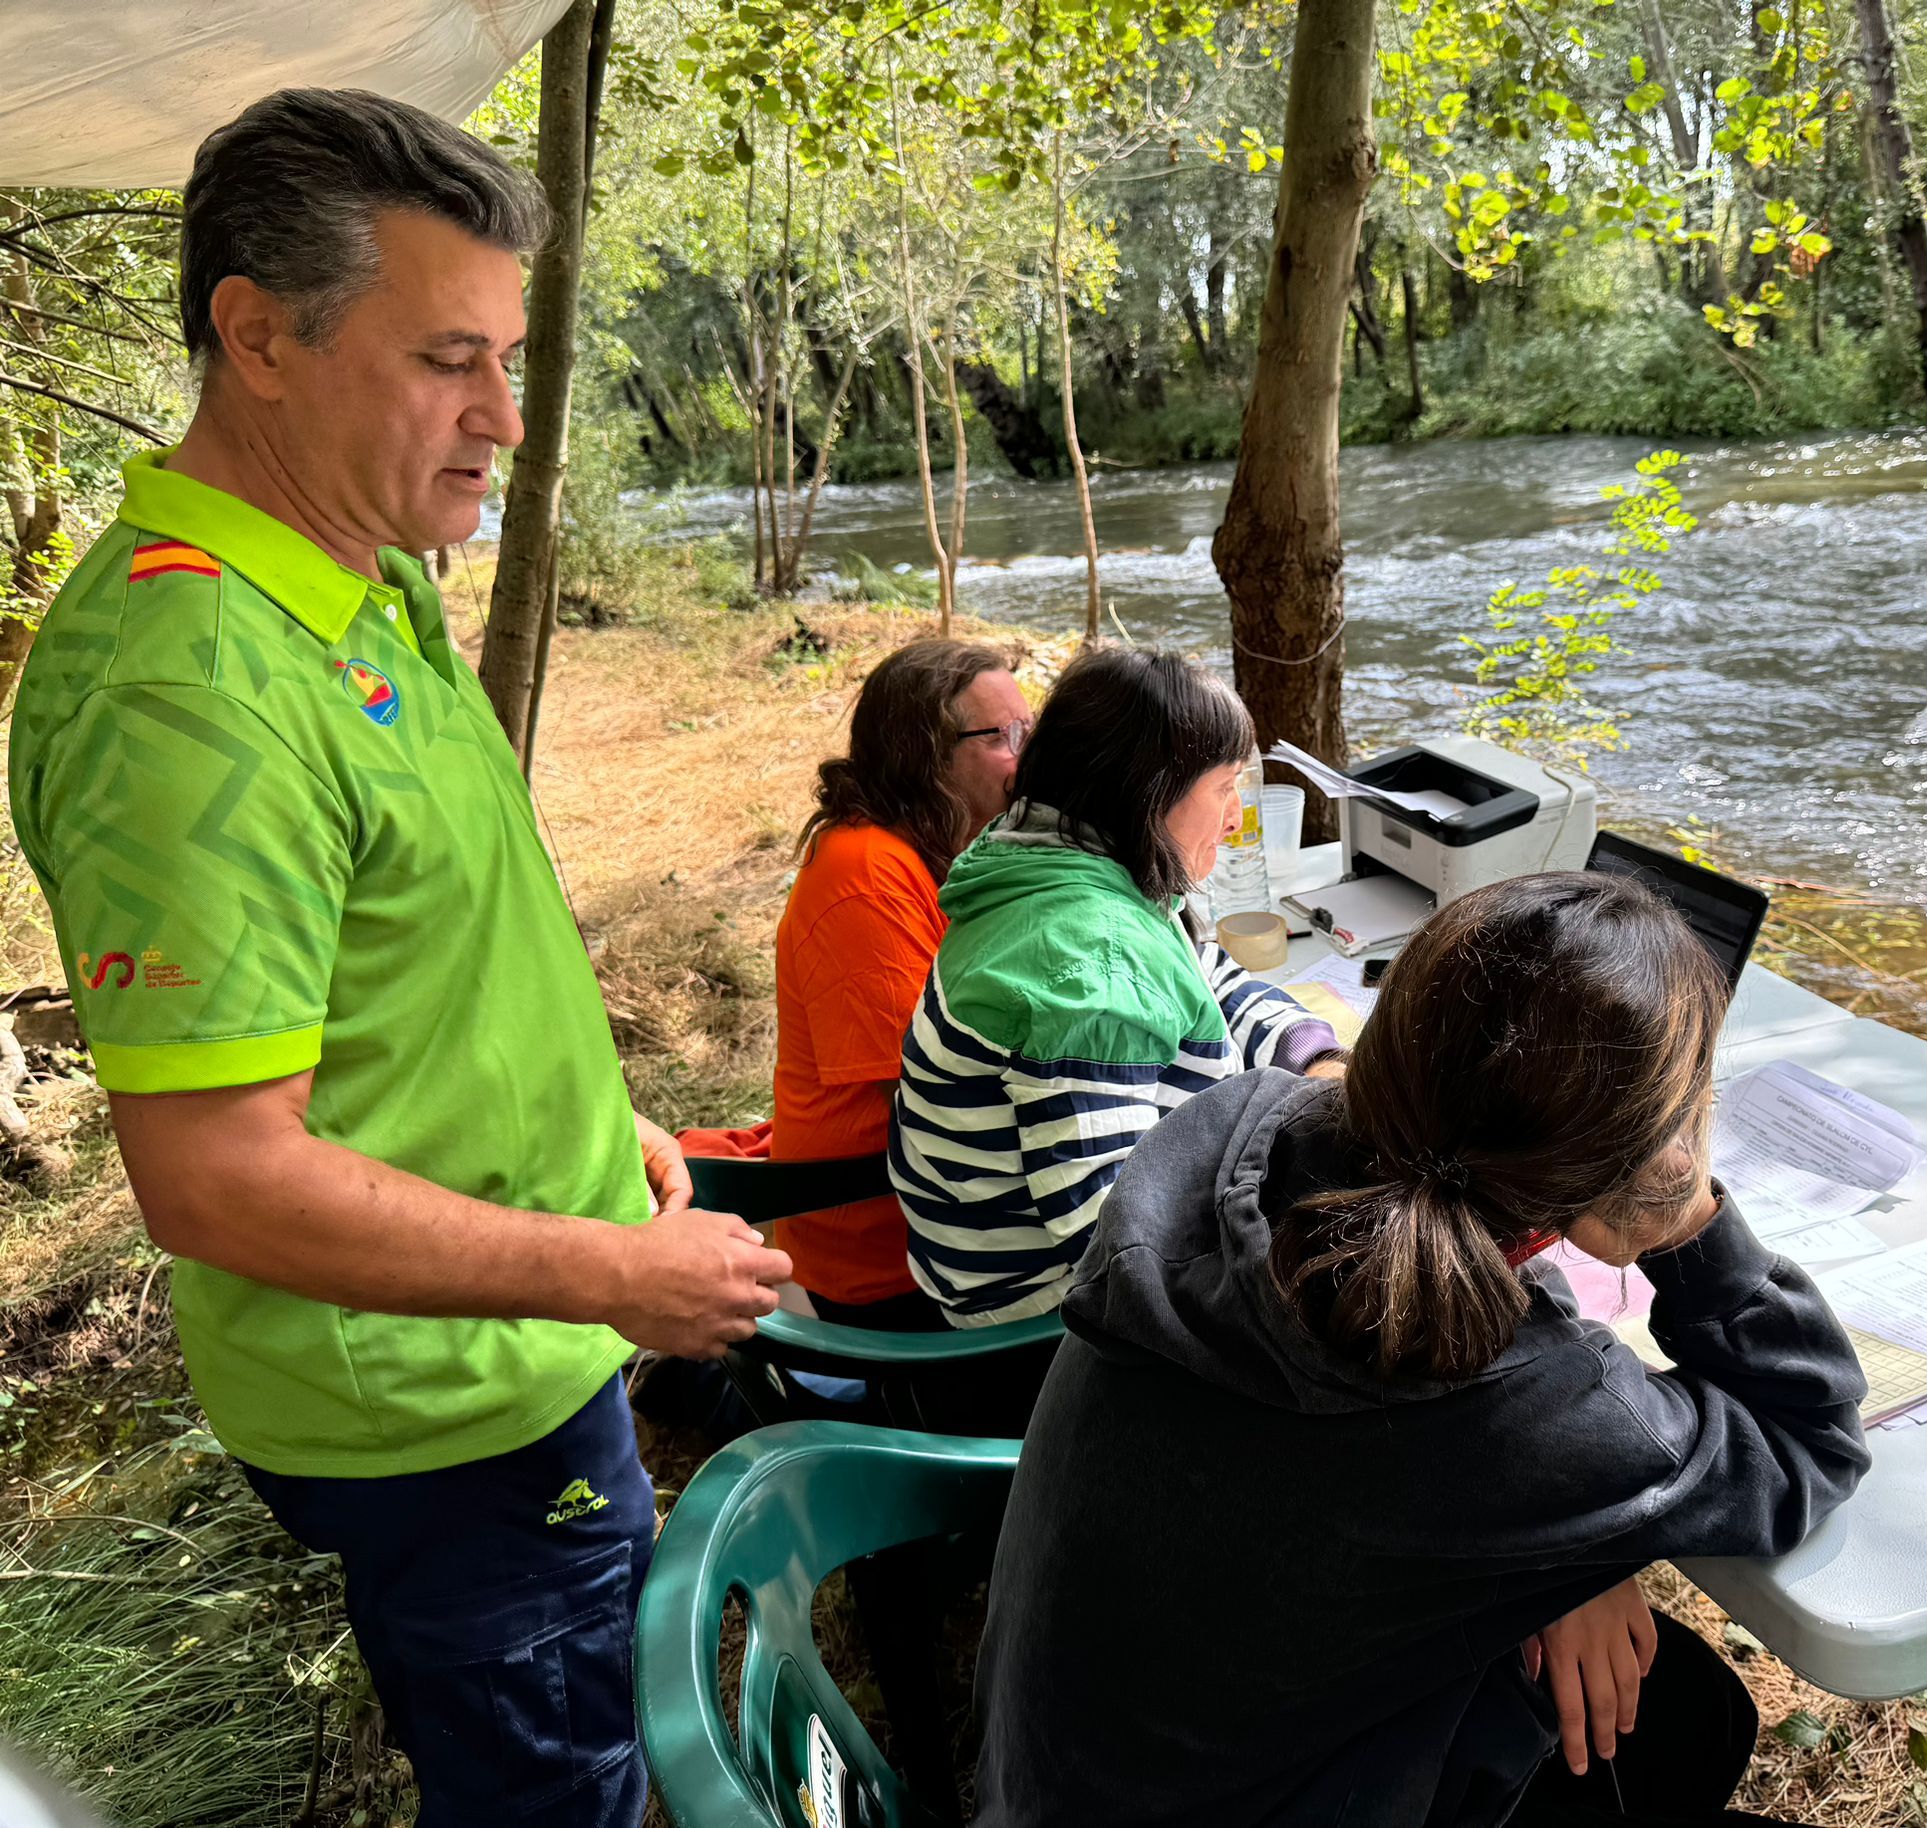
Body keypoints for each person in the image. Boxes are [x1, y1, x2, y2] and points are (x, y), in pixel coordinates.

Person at [5, 90, 790, 1827]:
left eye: (505, 359)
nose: (505, 418)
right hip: (453, 1421)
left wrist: (595, 1122)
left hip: (518, 1344)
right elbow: (217, 1179)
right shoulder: (190, 685)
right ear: (256, 334)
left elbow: (431, 927)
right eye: (450, 359)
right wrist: (602, 1266)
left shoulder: (354, 566)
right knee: (558, 1789)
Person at [973, 871, 1872, 1828]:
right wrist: (1689, 1217)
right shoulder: (1518, 1411)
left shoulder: (1244, 1126)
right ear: (1629, 1167)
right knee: (1683, 1724)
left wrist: (1565, 1554)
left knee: (1675, 1698)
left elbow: (1449, 1277)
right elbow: (1810, 1435)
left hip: (1062, 1773)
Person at [889, 645, 1345, 1344]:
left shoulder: (1063, 863)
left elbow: (1206, 976)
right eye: (1224, 786)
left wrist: (1313, 1061)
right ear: (1150, 792)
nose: (1234, 816)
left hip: (1036, 1268)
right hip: (1033, 1334)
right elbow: (1117, 1248)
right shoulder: (1086, 968)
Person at [773, 637, 1029, 1326]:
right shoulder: (863, 874)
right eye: (1005, 736)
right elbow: (933, 1094)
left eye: (1030, 729)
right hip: (892, 1249)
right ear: (926, 757)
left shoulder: (951, 847)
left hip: (940, 1207)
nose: (1028, 755)